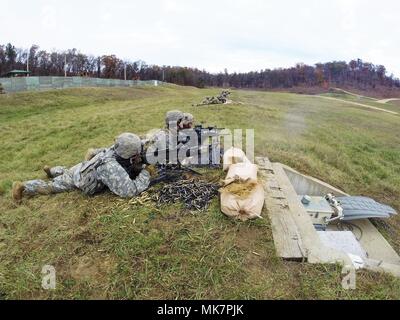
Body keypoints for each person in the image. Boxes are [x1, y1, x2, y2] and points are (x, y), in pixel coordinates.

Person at [12, 133, 151, 202]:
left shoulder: (115, 150)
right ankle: (23, 186)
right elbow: (129, 191)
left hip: (81, 167)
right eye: (137, 154)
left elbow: (92, 151)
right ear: (129, 154)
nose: (139, 155)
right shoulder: (111, 167)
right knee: (52, 187)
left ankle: (51, 170)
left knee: (66, 171)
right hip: (80, 179)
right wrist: (146, 173)